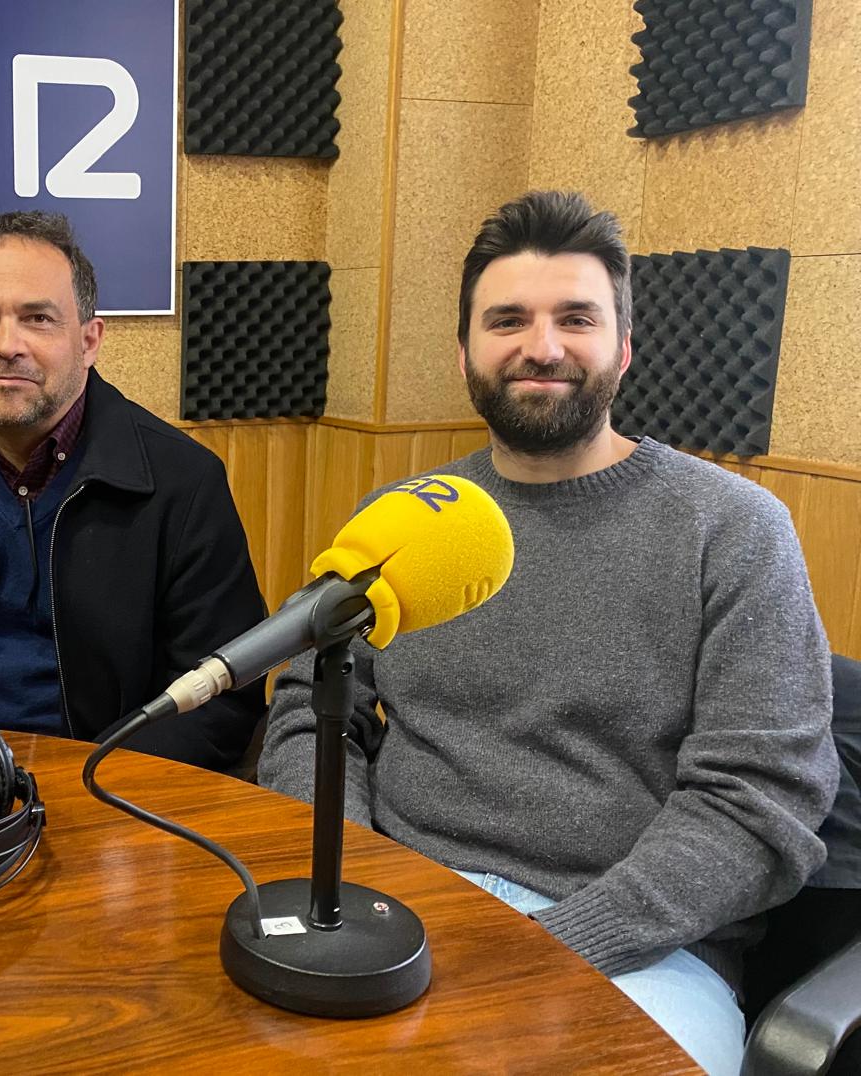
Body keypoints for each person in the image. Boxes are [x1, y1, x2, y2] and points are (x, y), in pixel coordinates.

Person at [258, 190, 839, 1073]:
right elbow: (310, 709)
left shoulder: (732, 530)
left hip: (639, 951)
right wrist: (358, 879)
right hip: (401, 912)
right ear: (464, 353)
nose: (543, 346)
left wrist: (556, 945)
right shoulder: (405, 521)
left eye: (576, 318)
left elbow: (759, 804)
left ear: (624, 347)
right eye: (508, 320)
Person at [0, 210, 267, 771]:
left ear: (89, 340)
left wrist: (98, 789)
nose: (6, 345)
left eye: (37, 318)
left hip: (111, 784)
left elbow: (221, 694)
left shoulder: (184, 481)